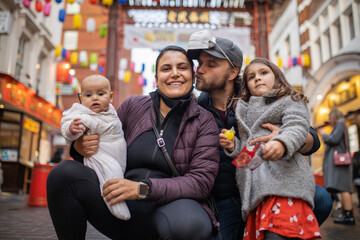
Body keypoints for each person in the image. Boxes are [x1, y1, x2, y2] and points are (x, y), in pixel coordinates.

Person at [47, 45, 220, 240]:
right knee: (63, 174)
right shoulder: (133, 106)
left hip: (166, 209)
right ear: (156, 78)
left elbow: (200, 182)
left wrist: (142, 189)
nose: (174, 74)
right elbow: (104, 138)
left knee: (192, 224)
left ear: (192, 75)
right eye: (166, 69)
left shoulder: (204, 121)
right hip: (118, 203)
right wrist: (79, 148)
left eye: (182, 67)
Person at [186, 30, 332, 239]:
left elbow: (309, 136)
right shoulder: (197, 108)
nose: (200, 70)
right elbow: (246, 155)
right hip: (224, 196)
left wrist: (283, 138)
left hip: (269, 185)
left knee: (322, 198)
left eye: (211, 64)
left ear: (232, 72)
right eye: (200, 63)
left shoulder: (256, 94)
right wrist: (233, 147)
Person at [220, 58, 321, 239]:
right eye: (251, 77)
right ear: (246, 86)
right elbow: (250, 152)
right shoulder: (244, 110)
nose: (257, 78)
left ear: (277, 77)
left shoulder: (289, 100)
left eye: (263, 73)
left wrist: (282, 142)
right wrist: (234, 146)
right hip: (256, 194)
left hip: (284, 186)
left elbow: (296, 127)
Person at [60, 74, 130, 220]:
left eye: (100, 93)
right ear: (80, 98)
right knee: (112, 174)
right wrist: (72, 129)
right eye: (88, 95)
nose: (95, 98)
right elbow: (67, 123)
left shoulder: (112, 112)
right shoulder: (83, 115)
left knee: (118, 169)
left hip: (117, 152)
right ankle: (116, 203)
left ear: (110, 97)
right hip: (99, 154)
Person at [318, 109, 355, 225]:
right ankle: (347, 214)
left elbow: (333, 139)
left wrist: (323, 133)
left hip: (340, 163)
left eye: (330, 118)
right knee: (343, 188)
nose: (330, 121)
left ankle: (349, 215)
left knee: (344, 188)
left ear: (334, 117)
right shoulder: (342, 125)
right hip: (341, 163)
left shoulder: (340, 124)